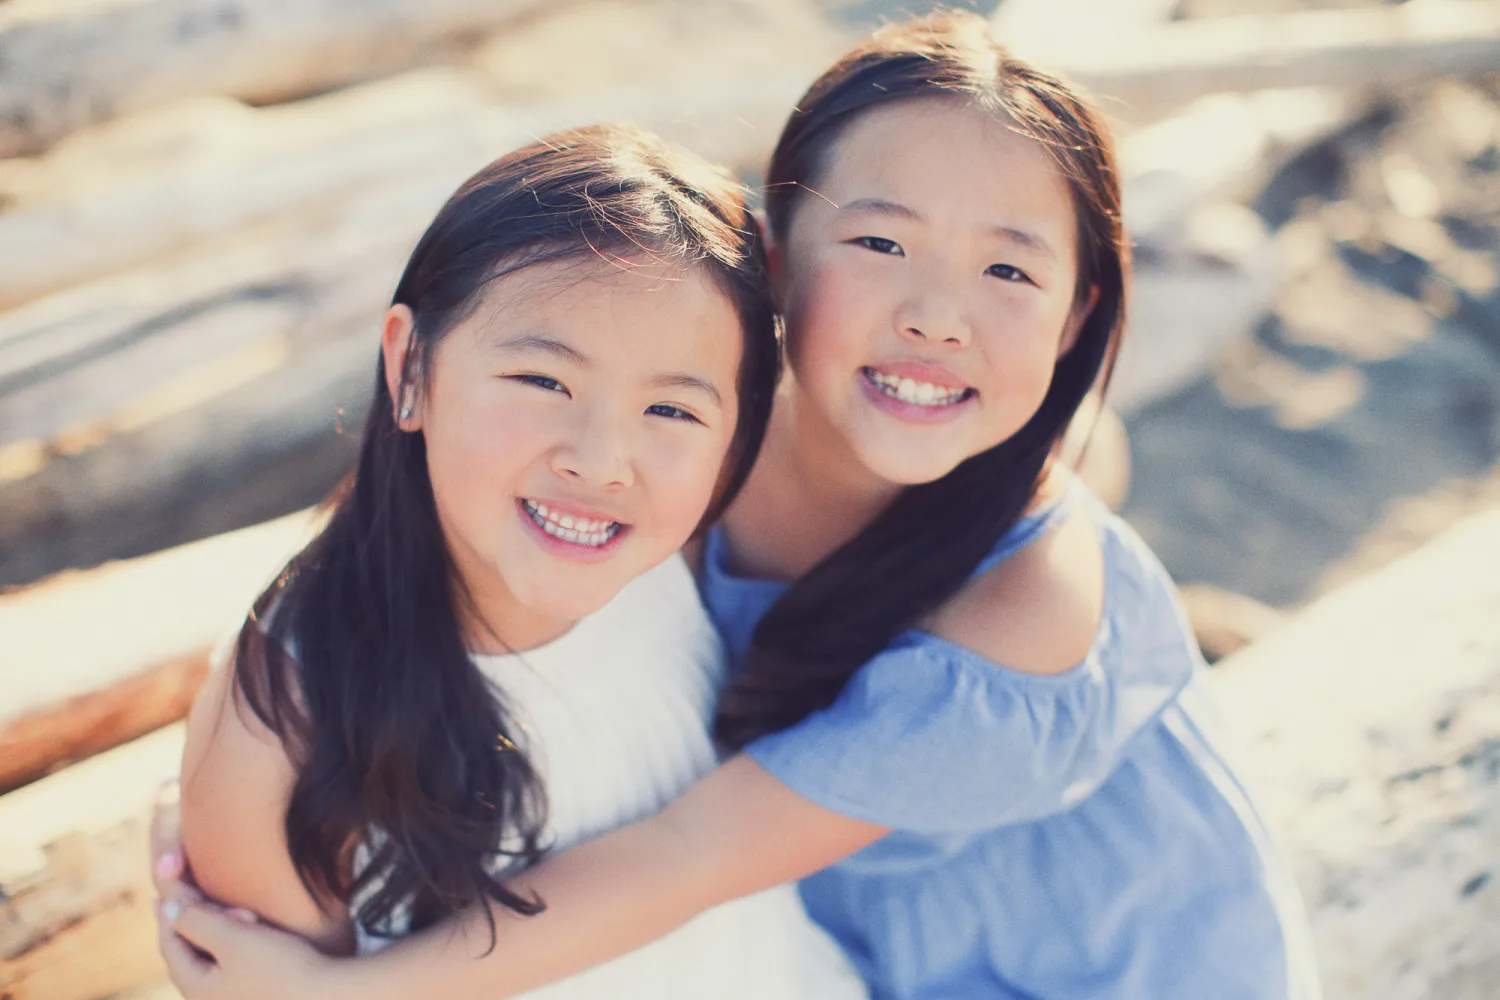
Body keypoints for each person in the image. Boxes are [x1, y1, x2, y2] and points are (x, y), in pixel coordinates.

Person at [155, 13, 1321, 999]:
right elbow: (458, 471)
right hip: (822, 939)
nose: (938, 315)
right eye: (880, 239)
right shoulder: (685, 424)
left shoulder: (1026, 608)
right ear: (774, 255)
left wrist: (350, 991)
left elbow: (692, 849)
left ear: (1077, 319)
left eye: (1010, 269)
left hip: (1100, 966)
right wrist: (239, 775)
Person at [153, 122, 867, 999]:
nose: (602, 459)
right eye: (543, 381)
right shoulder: (284, 730)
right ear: (409, 367)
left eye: (673, 412)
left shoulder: (694, 546)